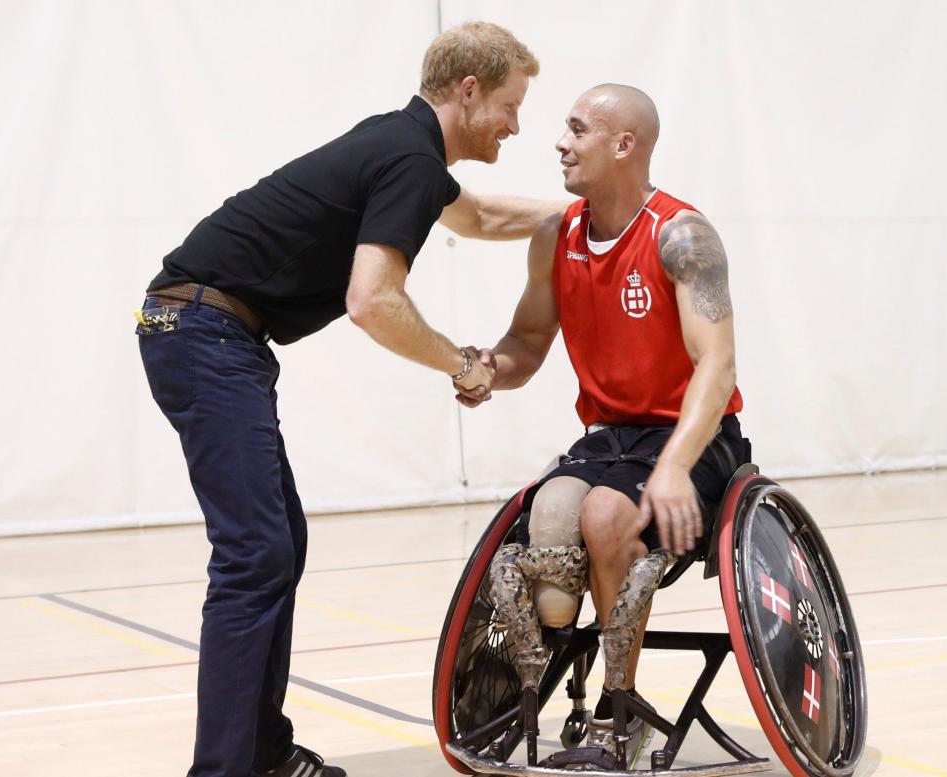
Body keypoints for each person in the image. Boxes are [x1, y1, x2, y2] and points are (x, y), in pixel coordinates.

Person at [136, 22, 563, 777]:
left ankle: (262, 752)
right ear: (467, 92)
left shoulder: (402, 147)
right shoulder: (407, 156)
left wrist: (584, 211)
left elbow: (482, 217)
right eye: (508, 104)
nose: (516, 124)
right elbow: (372, 300)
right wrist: (462, 364)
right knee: (254, 553)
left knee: (277, 544)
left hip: (203, 328)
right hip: (203, 330)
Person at [461, 84, 748, 767]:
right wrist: (485, 368)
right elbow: (528, 343)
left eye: (577, 128)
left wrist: (677, 463)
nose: (559, 141)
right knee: (553, 536)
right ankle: (539, 689)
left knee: (603, 513)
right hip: (609, 439)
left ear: (624, 145)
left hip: (691, 434)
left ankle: (625, 710)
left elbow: (719, 361)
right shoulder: (555, 236)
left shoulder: (681, 235)